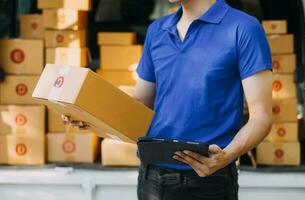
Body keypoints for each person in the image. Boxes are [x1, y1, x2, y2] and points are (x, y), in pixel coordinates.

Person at [64, 0, 272, 199]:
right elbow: (141, 101)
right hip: (152, 177)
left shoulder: (243, 28)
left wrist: (226, 156)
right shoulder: (157, 30)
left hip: (209, 182)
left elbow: (261, 117)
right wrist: (90, 112)